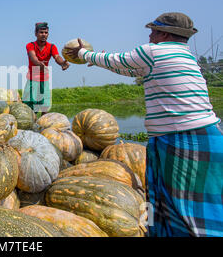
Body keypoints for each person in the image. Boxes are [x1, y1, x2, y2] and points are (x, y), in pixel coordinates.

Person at [64, 12, 223, 237]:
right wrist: (94, 57)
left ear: (166, 33)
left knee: (182, 206)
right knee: (202, 204)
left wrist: (83, 54)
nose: (150, 35)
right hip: (206, 135)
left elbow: (118, 61)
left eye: (154, 30)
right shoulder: (185, 55)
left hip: (184, 138)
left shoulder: (153, 51)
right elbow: (128, 68)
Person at [22, 22, 69, 116]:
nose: (44, 34)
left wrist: (62, 63)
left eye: (46, 32)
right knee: (30, 109)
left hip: (44, 79)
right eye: (41, 32)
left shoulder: (52, 46)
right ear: (36, 34)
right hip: (32, 79)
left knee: (44, 107)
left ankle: (43, 127)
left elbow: (57, 57)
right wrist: (39, 64)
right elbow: (33, 57)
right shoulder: (30, 45)